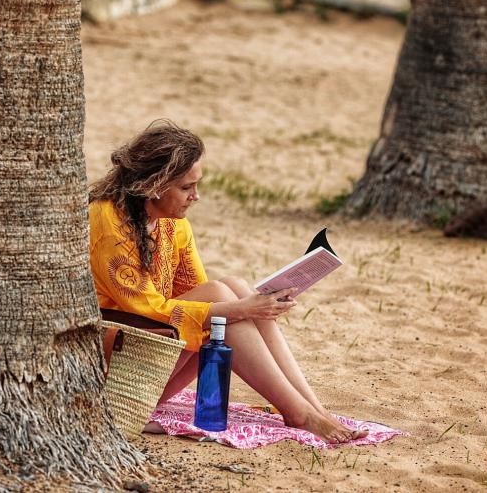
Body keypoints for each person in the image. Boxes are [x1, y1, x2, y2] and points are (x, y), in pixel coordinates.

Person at [88, 120, 366, 443]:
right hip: (115, 361)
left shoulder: (172, 223)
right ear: (154, 185)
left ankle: (313, 408)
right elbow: (150, 308)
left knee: (232, 289)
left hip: (152, 355)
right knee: (225, 304)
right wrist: (241, 308)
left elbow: (198, 292)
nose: (196, 196)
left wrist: (253, 304)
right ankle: (298, 412)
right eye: (186, 187)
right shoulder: (108, 220)